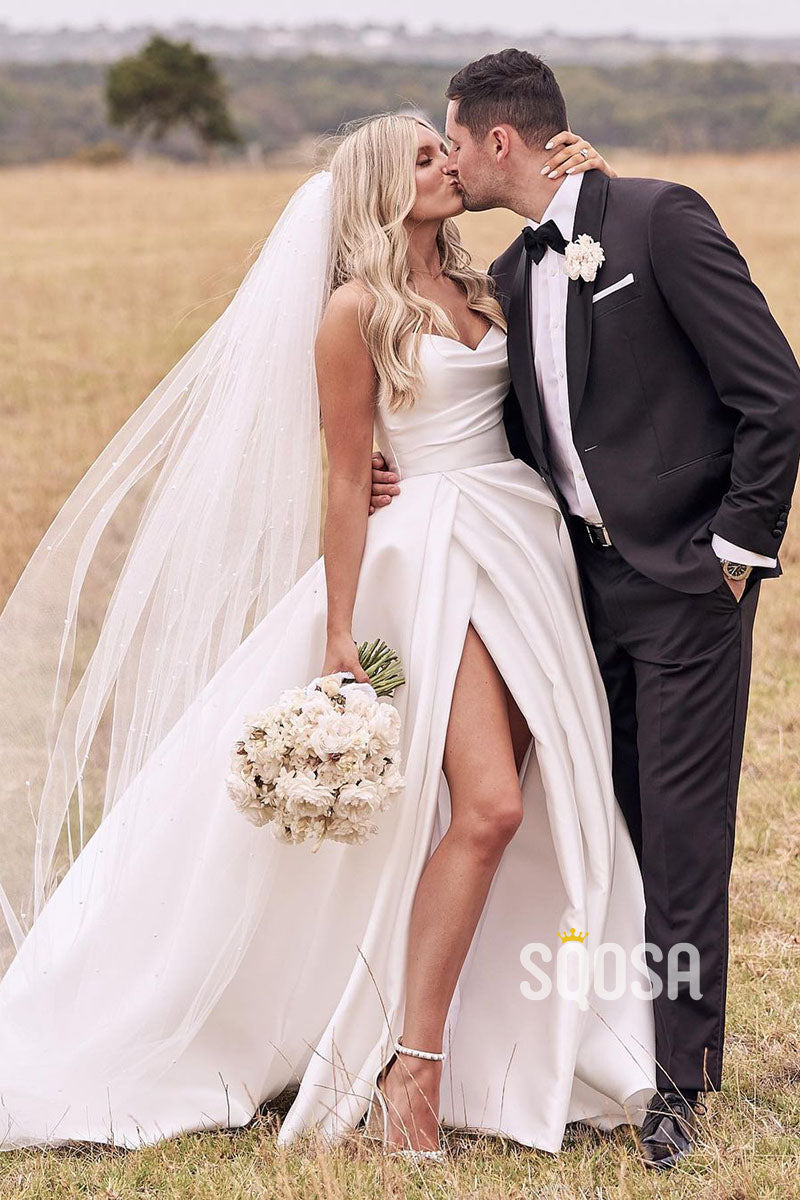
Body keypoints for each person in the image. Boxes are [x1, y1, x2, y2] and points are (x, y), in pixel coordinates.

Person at [0, 112, 655, 1164]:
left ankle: (483, 1041)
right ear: (381, 190)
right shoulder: (355, 312)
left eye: (446, 149)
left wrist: (594, 190)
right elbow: (348, 476)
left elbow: (576, 336)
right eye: (425, 158)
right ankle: (410, 1074)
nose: (448, 165)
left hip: (521, 551)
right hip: (429, 563)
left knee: (516, 808)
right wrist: (341, 631)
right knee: (488, 805)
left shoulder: (486, 285)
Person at [371, 51, 800, 1169]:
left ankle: (679, 1083)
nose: (447, 160)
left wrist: (734, 551)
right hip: (568, 592)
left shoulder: (658, 220)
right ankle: (612, 1042)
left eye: (453, 141)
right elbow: (495, 420)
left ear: (496, 141)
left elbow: (772, 390)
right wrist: (387, 467)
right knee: (605, 829)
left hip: (686, 587)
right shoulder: (511, 275)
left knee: (681, 838)